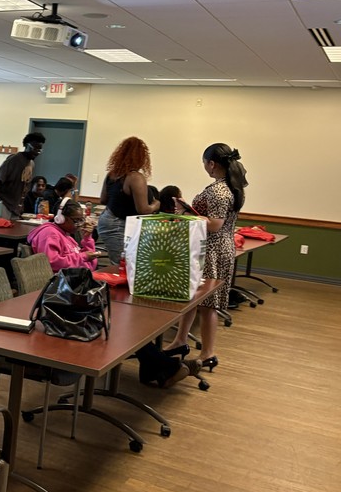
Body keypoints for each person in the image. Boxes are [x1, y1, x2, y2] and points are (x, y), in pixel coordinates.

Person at [164, 144, 249, 371]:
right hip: (219, 247)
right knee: (194, 299)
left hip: (213, 250)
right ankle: (180, 341)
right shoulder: (229, 187)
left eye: (204, 163)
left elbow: (214, 224)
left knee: (208, 304)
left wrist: (186, 216)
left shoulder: (219, 191)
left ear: (211, 164)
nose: (205, 167)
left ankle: (208, 353)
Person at [97, 136, 160, 267]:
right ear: (141, 157)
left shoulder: (111, 174)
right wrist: (155, 205)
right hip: (118, 224)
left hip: (107, 220)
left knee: (121, 263)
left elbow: (103, 200)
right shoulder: (135, 177)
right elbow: (143, 210)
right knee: (124, 266)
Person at [26, 198, 100, 271]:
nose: (80, 224)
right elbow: (52, 263)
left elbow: (91, 264)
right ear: (61, 218)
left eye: (81, 220)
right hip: (63, 281)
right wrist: (83, 257)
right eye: (76, 220)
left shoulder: (67, 236)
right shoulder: (50, 234)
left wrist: (87, 239)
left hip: (81, 277)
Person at [0, 132, 45, 219]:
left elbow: (25, 186)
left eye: (39, 150)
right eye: (35, 149)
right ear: (27, 145)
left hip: (15, 206)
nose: (37, 153)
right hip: (3, 203)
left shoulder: (32, 163)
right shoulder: (14, 159)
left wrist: (21, 204)